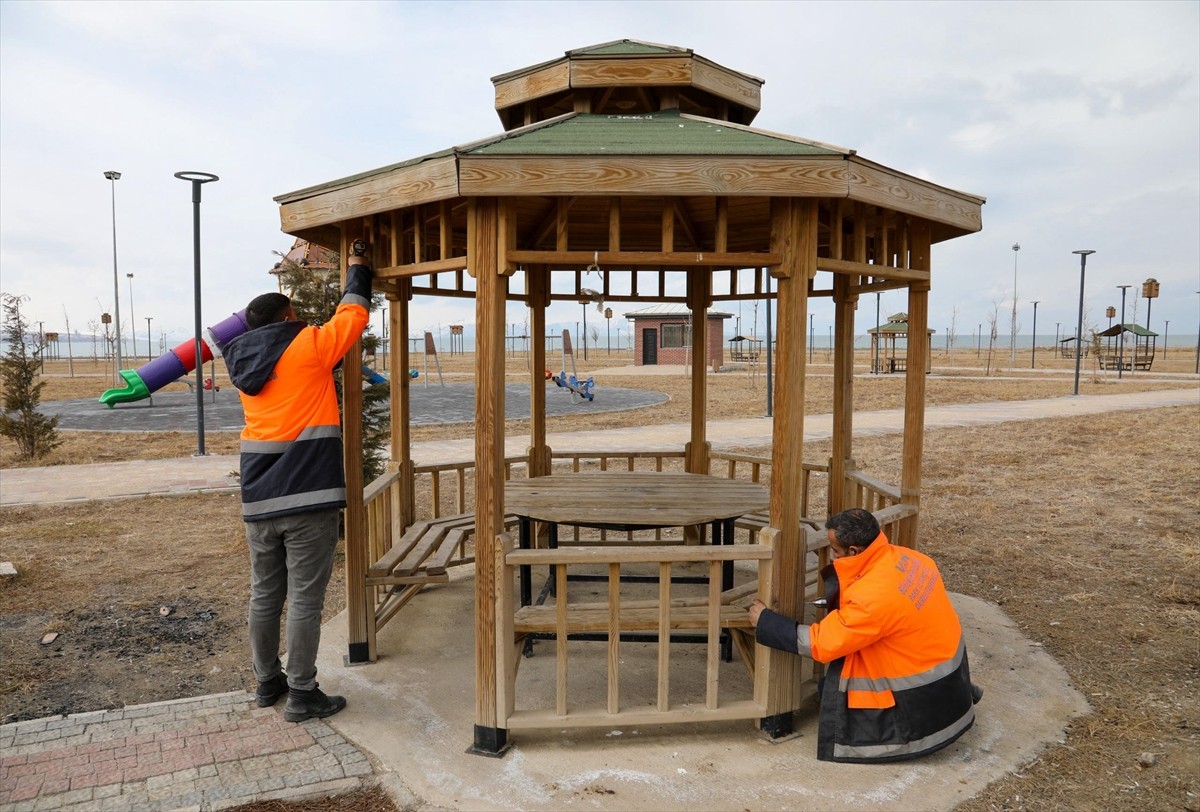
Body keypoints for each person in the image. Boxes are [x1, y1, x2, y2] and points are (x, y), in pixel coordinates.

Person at [223, 241, 372, 723]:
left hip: (259, 500)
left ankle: (269, 681)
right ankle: (304, 694)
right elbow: (352, 316)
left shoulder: (242, 364)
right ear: (288, 316)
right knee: (306, 598)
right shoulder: (306, 345)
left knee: (265, 593)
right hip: (308, 497)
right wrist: (357, 268)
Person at [748, 507, 980, 762]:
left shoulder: (872, 599)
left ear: (854, 551)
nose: (832, 557)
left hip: (915, 704)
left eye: (834, 551)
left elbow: (823, 643)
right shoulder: (913, 559)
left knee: (838, 681)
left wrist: (767, 623)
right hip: (948, 682)